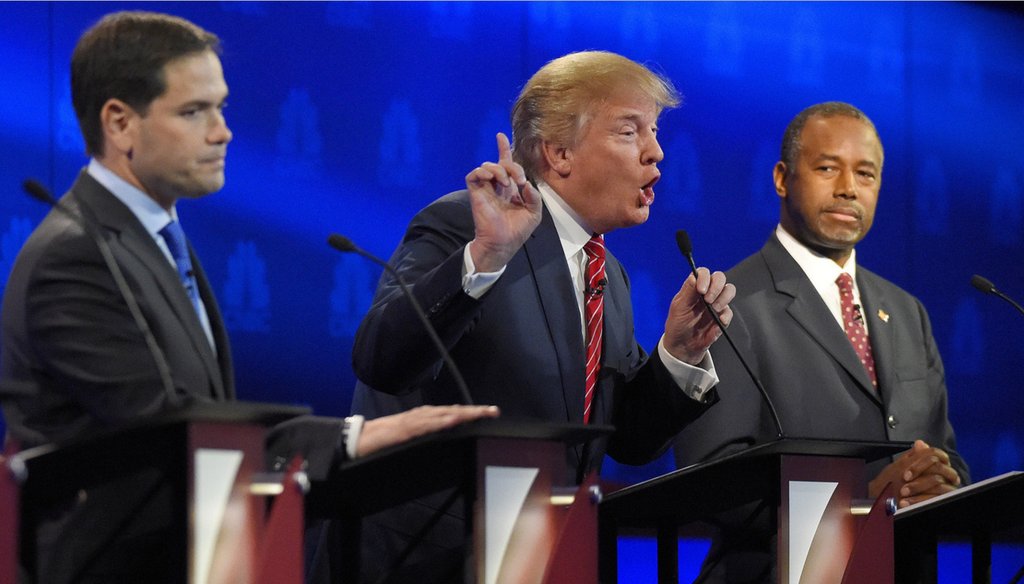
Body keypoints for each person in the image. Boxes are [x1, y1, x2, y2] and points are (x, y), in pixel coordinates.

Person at [0, 11, 498, 583]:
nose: (223, 131)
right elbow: (164, 431)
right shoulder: (79, 254)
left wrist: (359, 436)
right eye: (194, 112)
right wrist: (355, 436)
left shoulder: (150, 236)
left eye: (221, 106)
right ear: (119, 123)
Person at [350, 50, 735, 581]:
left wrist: (680, 353)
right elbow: (382, 360)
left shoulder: (609, 274)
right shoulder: (468, 226)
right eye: (630, 132)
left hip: (547, 557)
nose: (657, 153)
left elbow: (626, 441)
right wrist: (484, 258)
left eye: (654, 131)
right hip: (427, 559)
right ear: (559, 154)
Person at [672, 101, 968, 583]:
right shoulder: (729, 302)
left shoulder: (907, 310)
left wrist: (942, 479)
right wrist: (862, 500)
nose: (849, 189)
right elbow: (711, 481)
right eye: (827, 168)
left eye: (866, 175)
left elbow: (943, 451)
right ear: (782, 179)